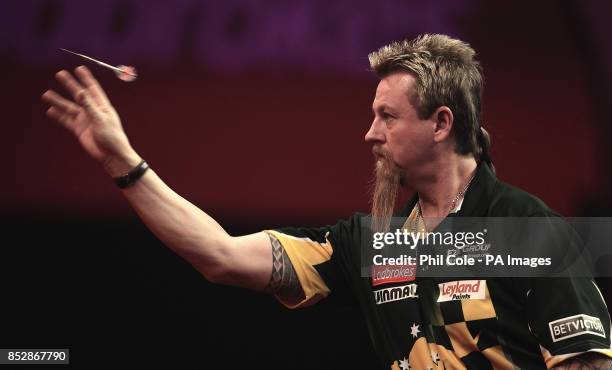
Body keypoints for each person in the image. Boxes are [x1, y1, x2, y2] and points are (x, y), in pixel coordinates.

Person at [42, 34, 612, 369]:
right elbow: (220, 254)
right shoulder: (371, 247)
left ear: (442, 123)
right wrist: (124, 163)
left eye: (386, 116)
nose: (369, 135)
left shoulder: (526, 229)